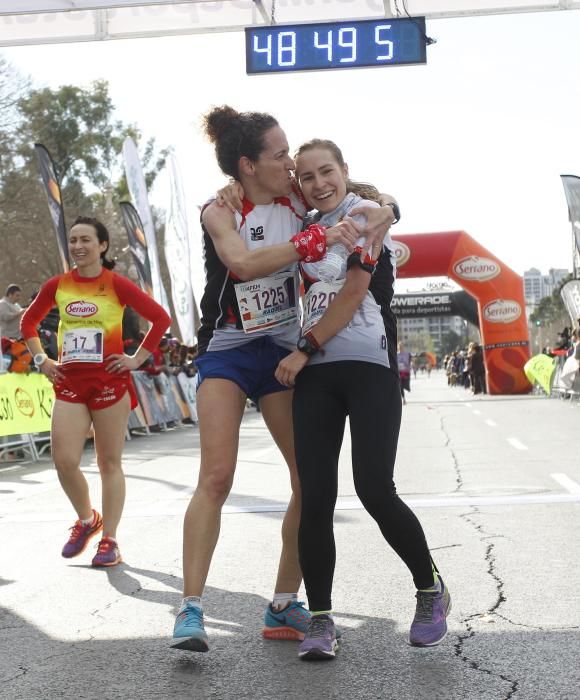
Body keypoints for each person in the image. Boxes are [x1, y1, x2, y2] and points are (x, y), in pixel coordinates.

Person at [171, 105, 397, 653]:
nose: (292, 163)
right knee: (218, 476)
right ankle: (191, 610)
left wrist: (387, 210)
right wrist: (310, 244)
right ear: (248, 166)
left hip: (281, 348)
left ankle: (283, 603)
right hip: (228, 349)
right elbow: (244, 266)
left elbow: (376, 202)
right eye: (279, 155)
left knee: (308, 482)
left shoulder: (300, 199)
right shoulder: (219, 209)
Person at [274, 139, 451, 660]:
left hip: (368, 368)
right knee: (317, 497)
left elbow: (353, 291)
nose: (318, 183)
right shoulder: (303, 228)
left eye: (326, 171)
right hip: (317, 379)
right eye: (306, 177)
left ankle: (430, 590)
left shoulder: (367, 214)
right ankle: (322, 621)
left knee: (374, 487)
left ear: (345, 172)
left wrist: (303, 349)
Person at [21, 216, 170, 567]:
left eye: (86, 239)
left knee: (108, 462)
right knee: (65, 462)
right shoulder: (58, 285)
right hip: (69, 383)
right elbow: (28, 321)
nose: (78, 246)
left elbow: (160, 318)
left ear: (102, 246)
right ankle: (88, 520)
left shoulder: (116, 284)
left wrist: (136, 359)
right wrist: (41, 358)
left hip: (109, 382)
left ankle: (110, 540)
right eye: (73, 240)